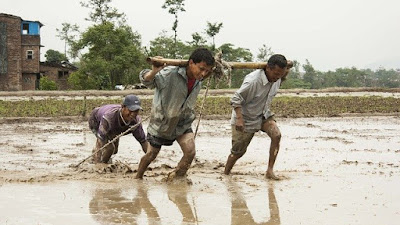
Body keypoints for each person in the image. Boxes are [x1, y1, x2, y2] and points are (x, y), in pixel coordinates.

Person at [135, 48, 215, 179]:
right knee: (151, 155)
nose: (203, 74)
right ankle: (138, 177)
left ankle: (176, 178)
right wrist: (154, 71)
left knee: (190, 152)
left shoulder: (199, 78)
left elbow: (210, 71)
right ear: (191, 63)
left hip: (183, 122)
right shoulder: (169, 74)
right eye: (201, 69)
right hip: (163, 123)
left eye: (207, 71)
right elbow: (147, 81)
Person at [224, 54, 291, 180]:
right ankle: (226, 173)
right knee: (238, 152)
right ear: (268, 68)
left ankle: (270, 171)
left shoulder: (278, 78)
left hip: (263, 114)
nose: (277, 78)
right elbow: (235, 99)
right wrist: (239, 119)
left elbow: (286, 70)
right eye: (276, 74)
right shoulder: (253, 81)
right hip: (245, 118)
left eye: (280, 75)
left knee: (276, 135)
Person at [88, 94, 148, 163]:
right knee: (110, 148)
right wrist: (98, 165)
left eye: (136, 111)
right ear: (123, 107)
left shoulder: (136, 122)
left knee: (115, 150)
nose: (133, 114)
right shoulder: (109, 118)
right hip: (96, 120)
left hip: (115, 127)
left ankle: (106, 159)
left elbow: (143, 141)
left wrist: (151, 158)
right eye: (131, 110)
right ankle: (103, 163)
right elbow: (99, 142)